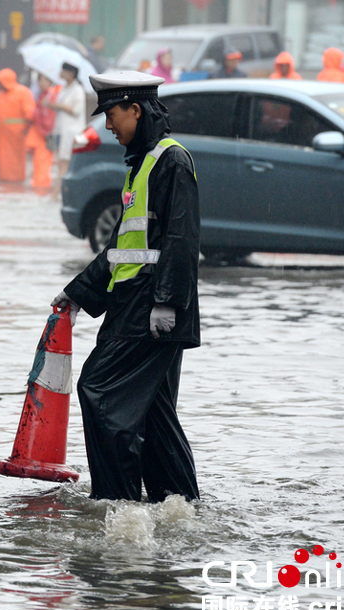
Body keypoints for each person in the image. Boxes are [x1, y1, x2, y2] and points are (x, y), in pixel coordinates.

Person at [52, 70, 201, 503]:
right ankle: (177, 506)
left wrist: (167, 303)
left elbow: (181, 238)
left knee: (97, 389)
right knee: (154, 414)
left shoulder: (171, 160)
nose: (108, 126)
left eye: (113, 115)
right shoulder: (142, 165)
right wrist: (79, 291)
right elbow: (122, 245)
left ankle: (116, 504)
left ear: (136, 110)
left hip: (151, 311)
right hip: (133, 306)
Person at [0, 68, 35, 183]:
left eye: (0, 82)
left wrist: (27, 129)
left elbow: (30, 113)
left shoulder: (23, 92)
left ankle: (16, 182)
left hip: (17, 135)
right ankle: (4, 180)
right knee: (3, 160)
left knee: (16, 161)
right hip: (1, 136)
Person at [48, 63, 87, 195]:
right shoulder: (63, 89)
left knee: (64, 163)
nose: (60, 73)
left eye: (63, 71)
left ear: (70, 73)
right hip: (60, 130)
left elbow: (77, 110)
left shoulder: (78, 90)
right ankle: (61, 193)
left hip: (71, 132)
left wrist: (60, 105)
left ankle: (56, 193)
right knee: (60, 163)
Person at [26, 74, 59, 189]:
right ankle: (38, 184)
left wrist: (36, 113)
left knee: (43, 163)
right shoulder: (43, 95)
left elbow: (49, 118)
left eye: (44, 80)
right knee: (38, 163)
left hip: (44, 135)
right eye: (40, 81)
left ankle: (41, 186)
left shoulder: (51, 96)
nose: (41, 83)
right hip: (39, 134)